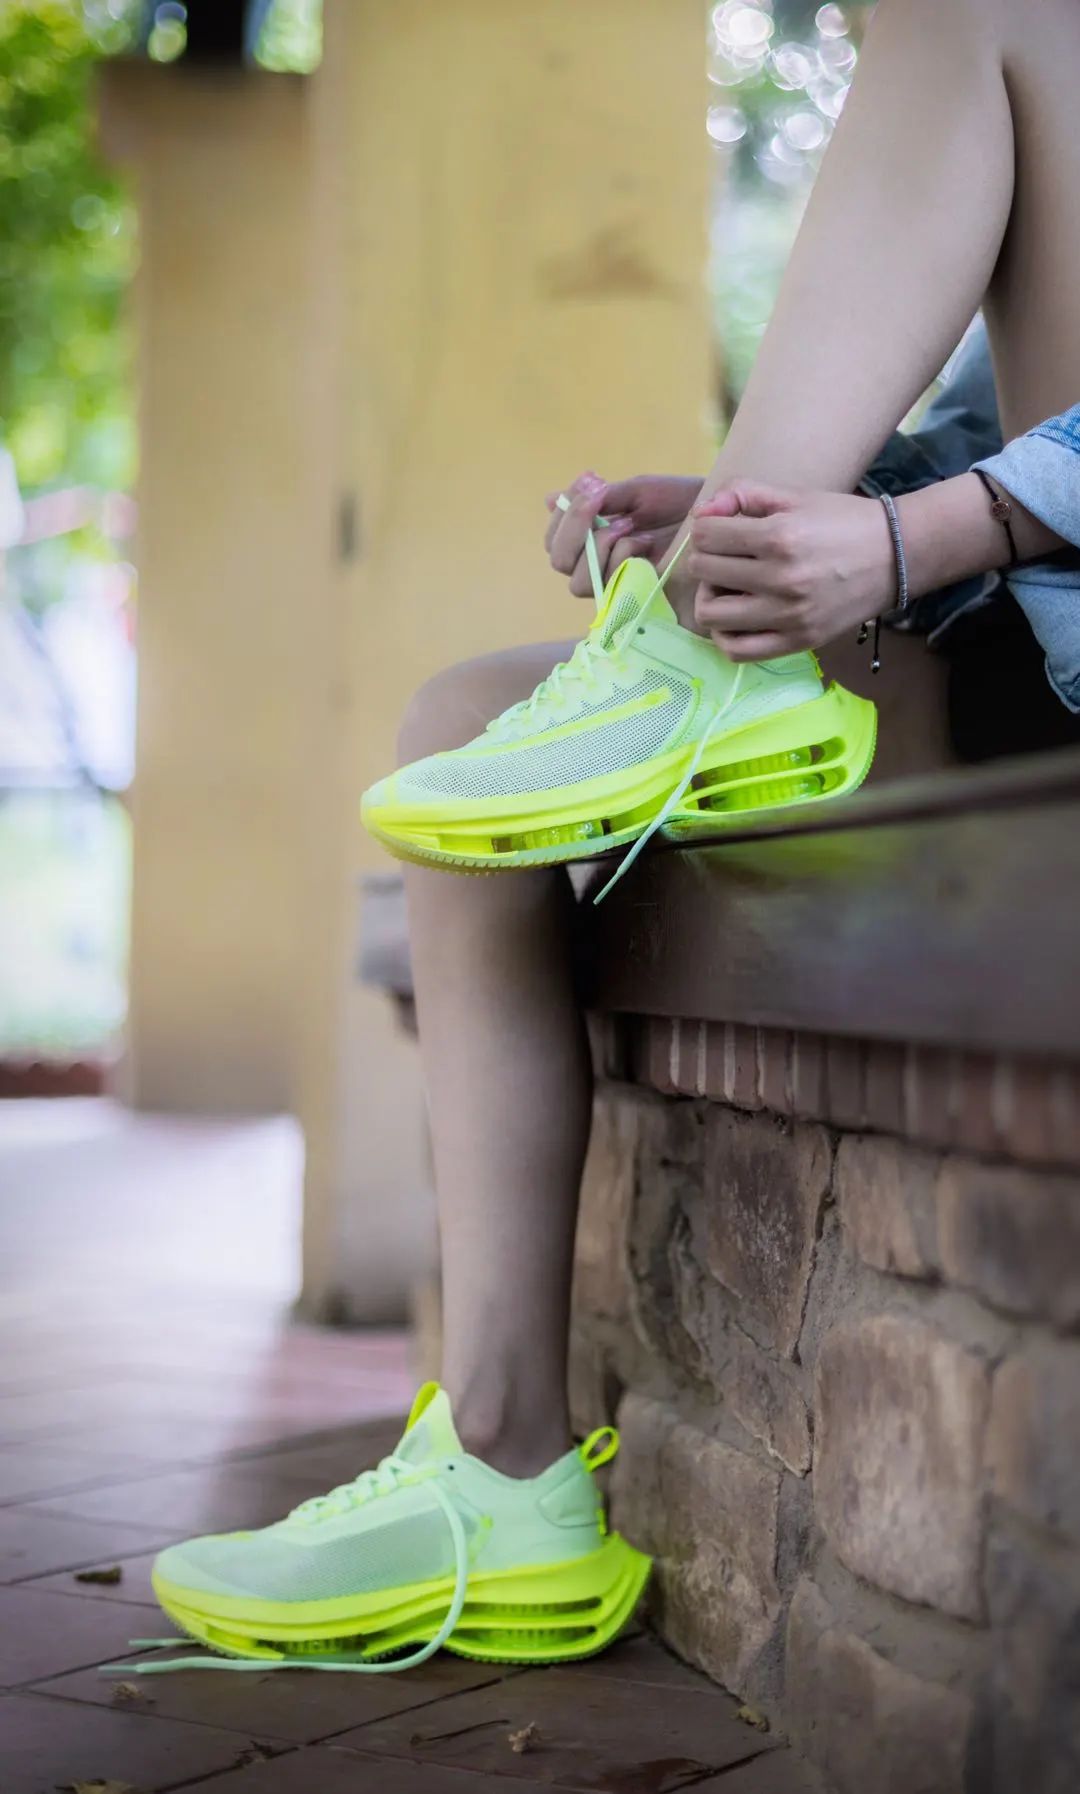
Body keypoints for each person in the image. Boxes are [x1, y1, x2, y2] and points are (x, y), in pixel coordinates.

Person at [143, 0, 1080, 1675]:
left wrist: (909, 539)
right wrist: (760, 514)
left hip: (1014, 621)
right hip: (1022, 640)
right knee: (458, 723)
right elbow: (1001, 414)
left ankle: (698, 666)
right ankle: (502, 1463)